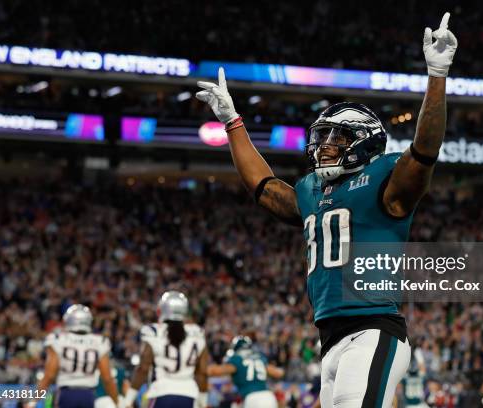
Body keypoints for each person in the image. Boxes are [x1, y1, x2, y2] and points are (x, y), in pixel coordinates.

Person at [196, 12, 458, 407]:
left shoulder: (385, 179)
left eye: (338, 136)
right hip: (331, 339)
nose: (326, 145)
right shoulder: (312, 189)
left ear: (365, 143)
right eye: (323, 136)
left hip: (372, 330)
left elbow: (425, 149)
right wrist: (233, 123)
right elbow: (264, 189)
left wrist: (436, 75)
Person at [120, 291, 209, 408]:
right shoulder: (197, 333)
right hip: (190, 395)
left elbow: (143, 368)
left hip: (161, 392)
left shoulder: (154, 332)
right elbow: (202, 372)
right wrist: (203, 401)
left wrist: (128, 399)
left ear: (161, 310)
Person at [35, 304, 118, 408]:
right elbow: (107, 378)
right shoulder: (99, 341)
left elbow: (49, 375)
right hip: (88, 395)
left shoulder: (58, 340)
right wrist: (117, 402)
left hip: (66, 394)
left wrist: (35, 399)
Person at [208, 336, 284, 407]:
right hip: (268, 397)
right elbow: (278, 373)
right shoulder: (259, 357)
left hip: (252, 398)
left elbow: (214, 371)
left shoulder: (237, 359)